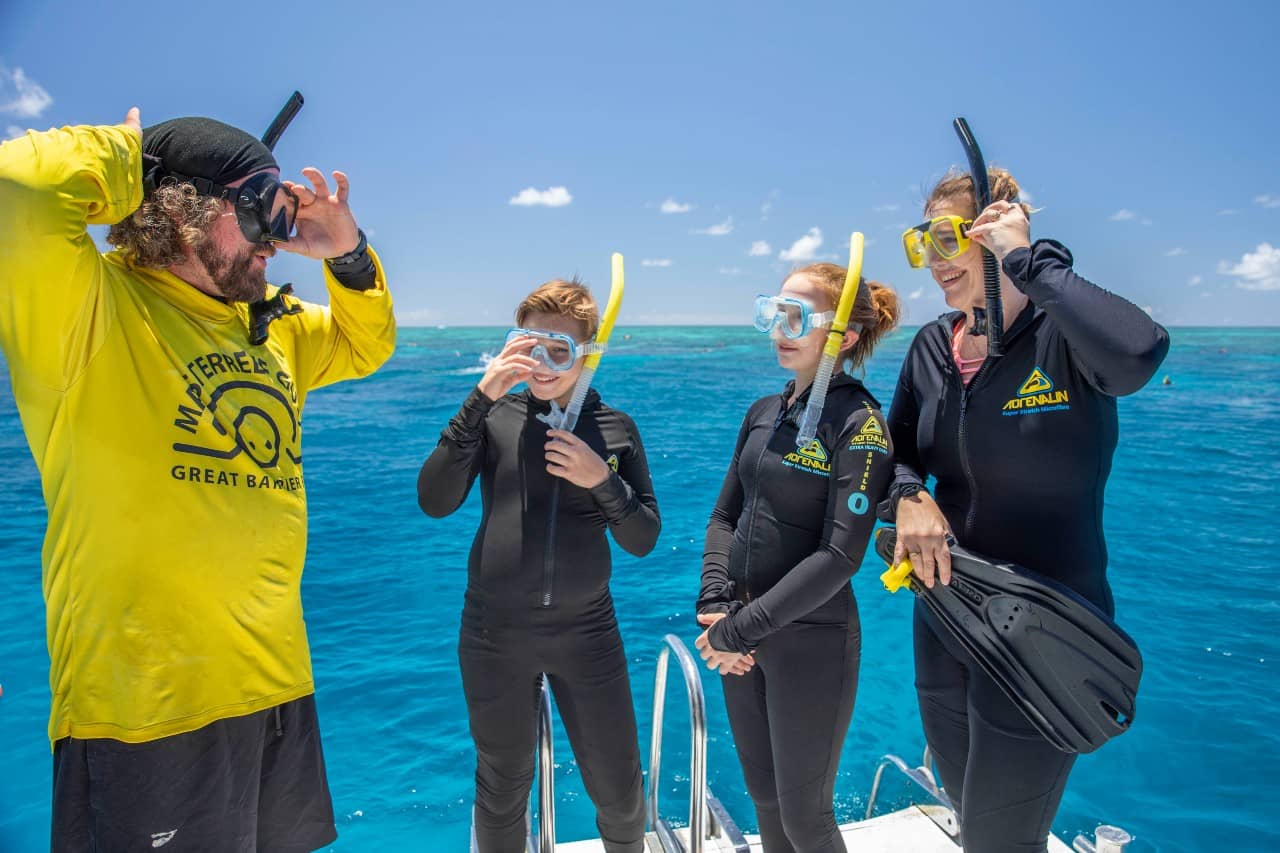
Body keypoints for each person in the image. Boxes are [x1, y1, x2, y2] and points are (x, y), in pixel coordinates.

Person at [0, 106, 396, 851]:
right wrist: (133, 154)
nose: (277, 240)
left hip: (276, 688)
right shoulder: (90, 308)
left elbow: (365, 342)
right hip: (148, 714)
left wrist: (346, 252)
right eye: (261, 210)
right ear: (183, 210)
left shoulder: (271, 327)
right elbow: (16, 188)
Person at [886, 168, 1169, 853]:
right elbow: (891, 455)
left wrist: (1031, 261)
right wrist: (907, 496)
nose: (934, 259)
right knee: (970, 816)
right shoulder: (932, 348)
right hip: (947, 615)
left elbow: (1138, 353)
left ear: (995, 231)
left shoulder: (1062, 338)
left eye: (949, 236)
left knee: (998, 841)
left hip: (1044, 628)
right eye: (921, 242)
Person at [417, 278, 659, 852]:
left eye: (560, 350)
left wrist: (602, 480)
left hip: (588, 634)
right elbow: (434, 500)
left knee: (621, 794)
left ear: (588, 353)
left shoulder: (615, 429)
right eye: (530, 346)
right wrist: (479, 397)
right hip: (493, 632)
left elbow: (643, 537)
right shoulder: (497, 417)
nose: (543, 364)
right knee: (502, 789)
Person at [695, 263, 900, 852]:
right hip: (739, 634)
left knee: (806, 817)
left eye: (797, 317)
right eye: (774, 313)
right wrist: (715, 605)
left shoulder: (860, 426)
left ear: (846, 335)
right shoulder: (765, 410)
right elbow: (723, 517)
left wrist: (738, 630)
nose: (779, 329)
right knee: (765, 803)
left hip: (812, 641)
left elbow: (840, 555)